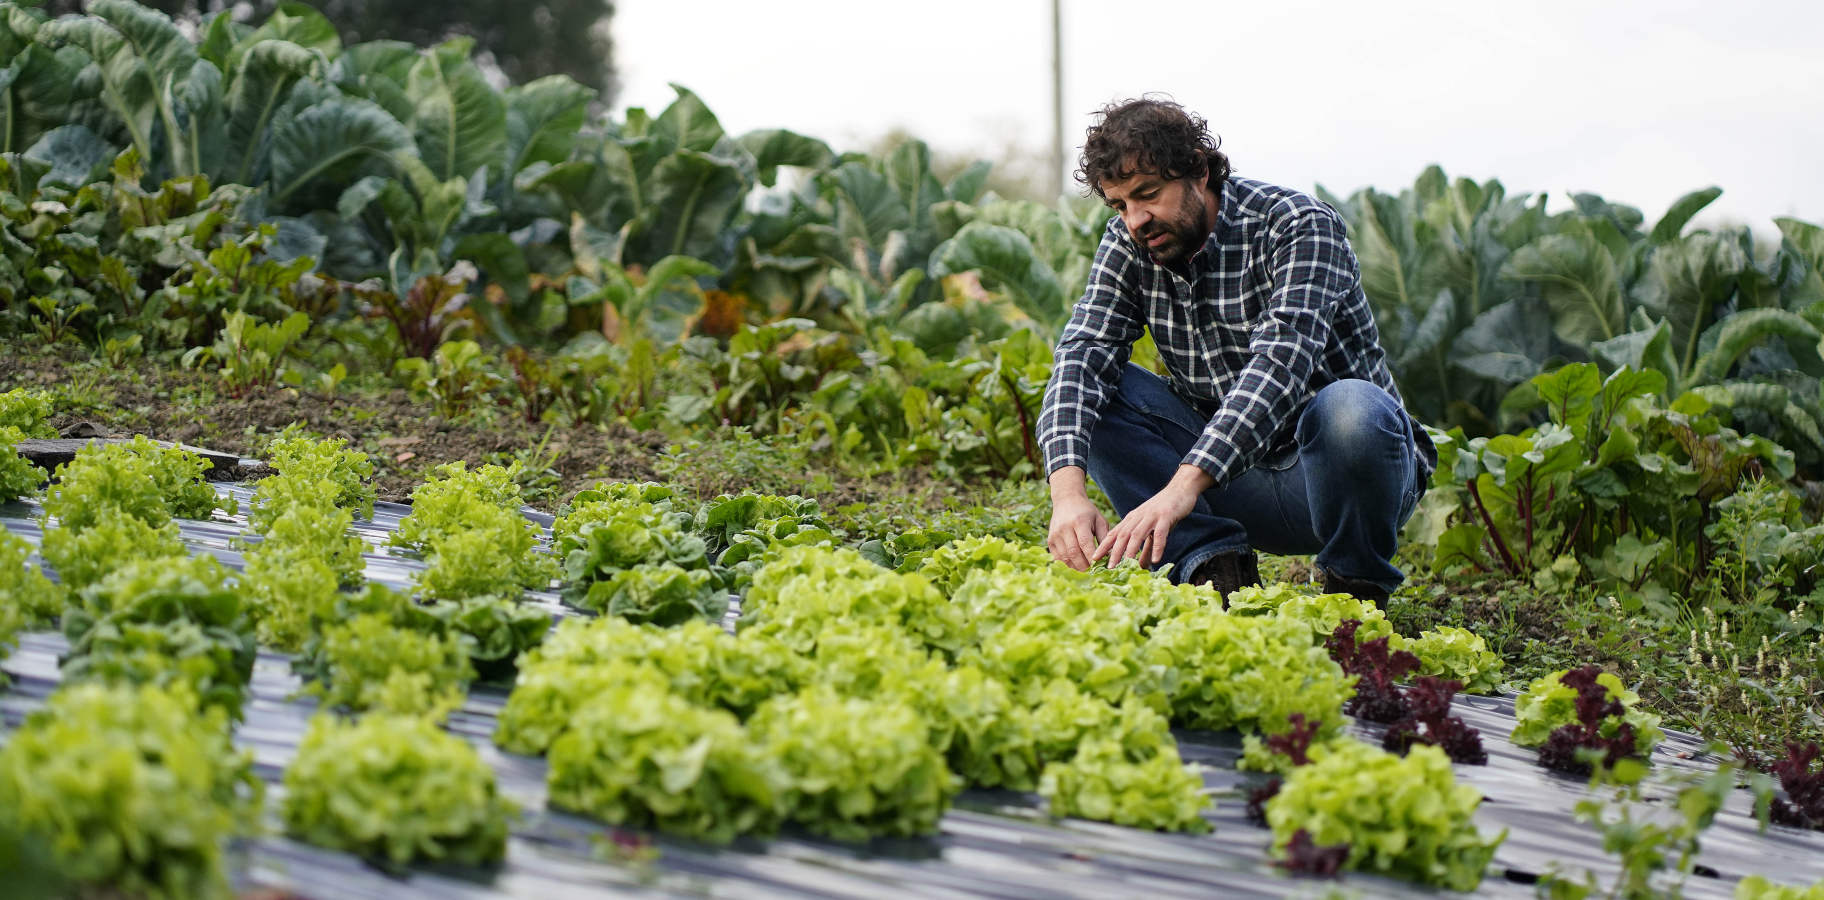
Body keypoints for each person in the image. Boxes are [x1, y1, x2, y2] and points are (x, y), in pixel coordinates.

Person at [1036, 97, 1436, 606]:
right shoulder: (1130, 243)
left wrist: (1180, 488)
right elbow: (1081, 354)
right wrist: (1067, 495)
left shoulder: (1298, 226)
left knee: (1351, 408)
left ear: (1199, 172)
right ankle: (1215, 571)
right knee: (1098, 387)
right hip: (1227, 480)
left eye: (1148, 194)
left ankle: (1353, 594)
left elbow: (1281, 366)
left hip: (1335, 478)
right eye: (1120, 205)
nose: (1135, 219)